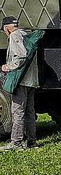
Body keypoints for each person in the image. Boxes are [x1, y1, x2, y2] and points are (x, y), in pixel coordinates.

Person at [0, 15, 39, 150]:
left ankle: (16, 142)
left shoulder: (15, 35)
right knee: (29, 112)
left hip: (21, 81)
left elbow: (21, 56)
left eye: (4, 30)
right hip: (31, 80)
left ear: (7, 28)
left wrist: (8, 67)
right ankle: (32, 142)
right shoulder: (26, 34)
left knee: (17, 111)